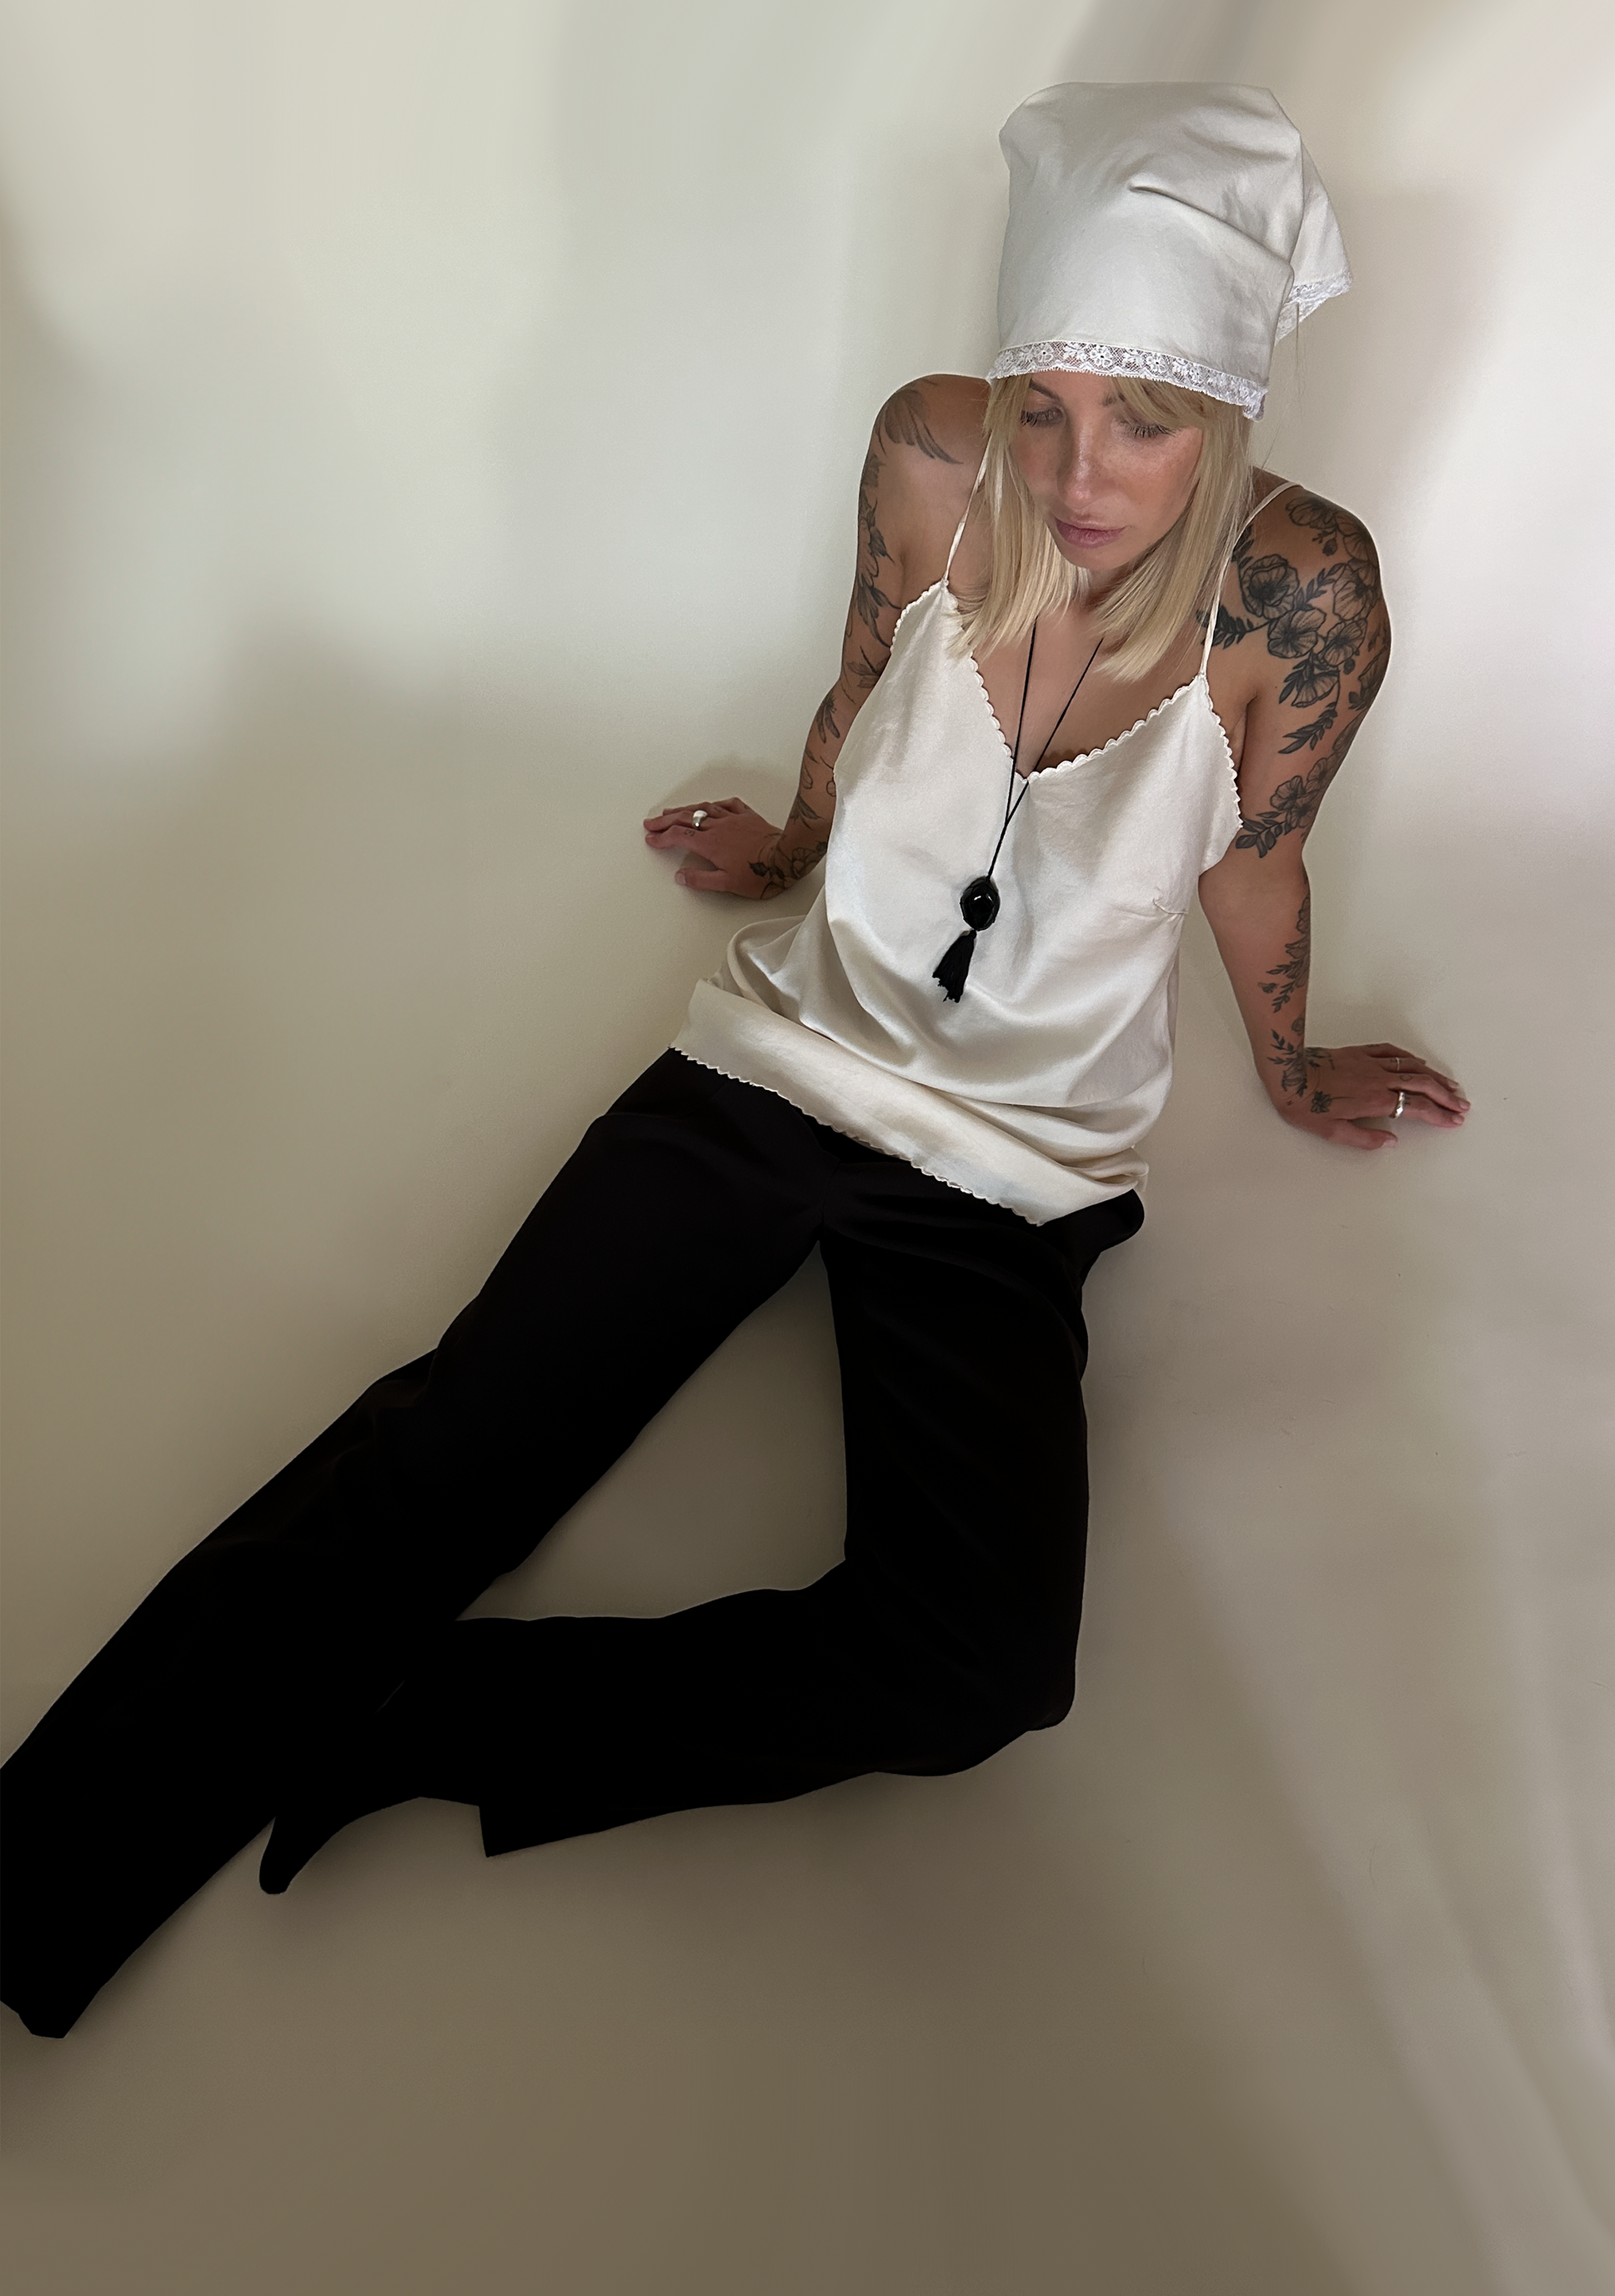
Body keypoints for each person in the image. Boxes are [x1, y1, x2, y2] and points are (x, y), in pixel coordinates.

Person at [1, 82, 1467, 2038]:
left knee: (976, 1667)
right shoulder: (935, 459)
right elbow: (865, 683)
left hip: (1015, 1163)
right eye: (1043, 401)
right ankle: (28, 1880)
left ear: (1226, 407)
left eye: (1140, 418)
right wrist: (790, 845)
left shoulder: (1303, 593)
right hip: (786, 1059)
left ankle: (437, 1713)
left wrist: (1286, 1066)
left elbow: (1254, 860)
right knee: (452, 1444)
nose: (1077, 468)